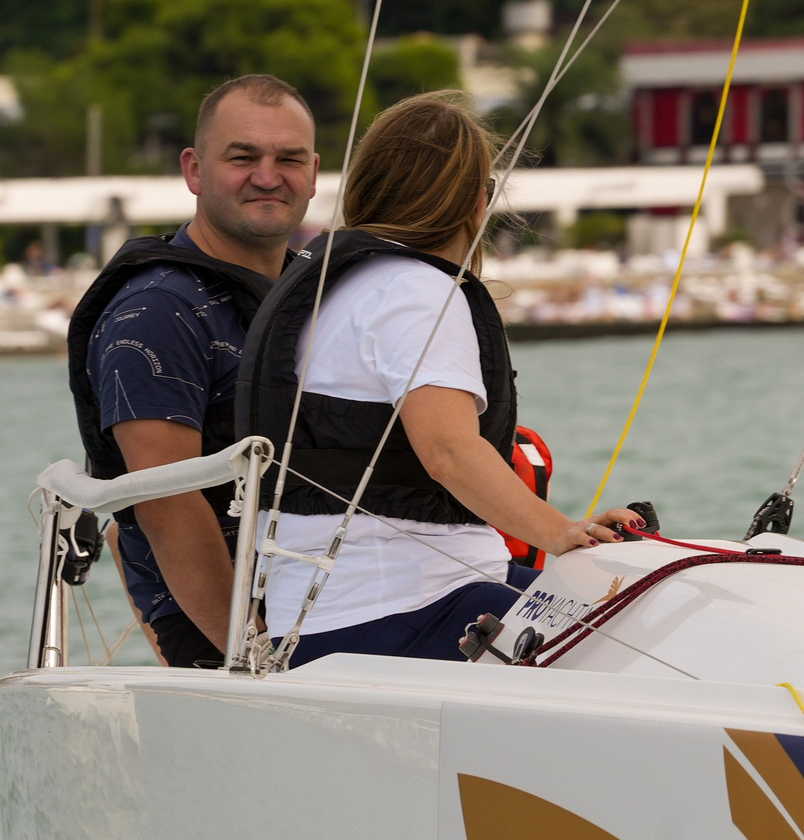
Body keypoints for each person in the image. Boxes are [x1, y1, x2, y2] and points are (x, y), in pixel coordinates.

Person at [236, 90, 635, 661]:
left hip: (311, 618)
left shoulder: (332, 286)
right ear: (475, 200)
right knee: (652, 623)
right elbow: (446, 449)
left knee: (614, 601)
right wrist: (561, 535)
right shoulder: (418, 292)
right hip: (406, 608)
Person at [69, 74, 319, 669]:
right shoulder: (156, 314)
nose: (267, 175)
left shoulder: (314, 290)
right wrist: (259, 657)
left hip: (333, 593)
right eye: (242, 158)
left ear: (313, 171)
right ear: (194, 171)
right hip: (232, 631)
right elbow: (164, 504)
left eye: (289, 158)